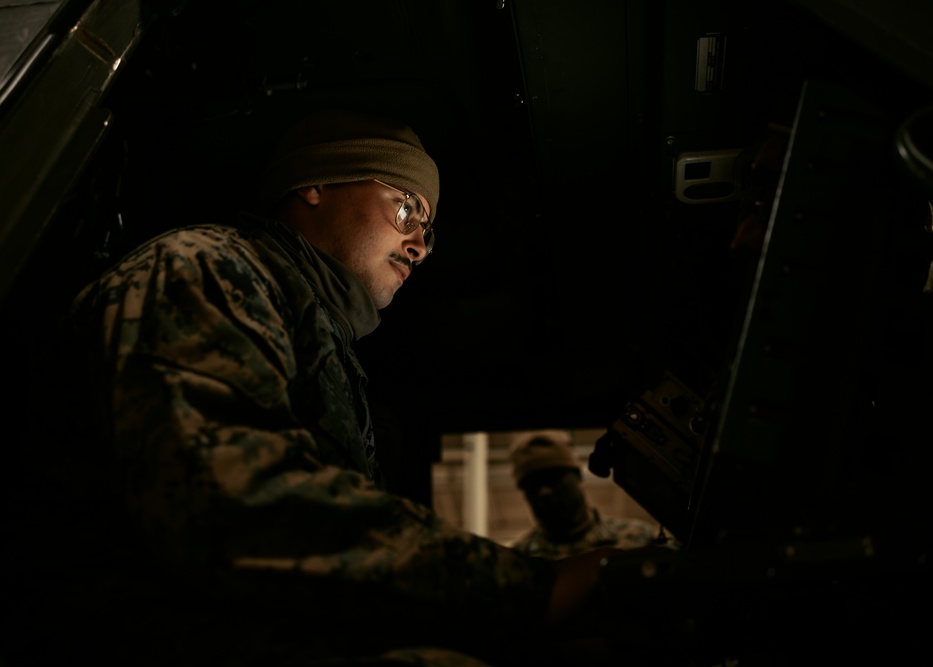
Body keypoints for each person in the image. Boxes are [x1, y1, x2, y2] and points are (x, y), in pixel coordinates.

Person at [5, 108, 615, 667]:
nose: (420, 246)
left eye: (428, 230)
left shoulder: (316, 339)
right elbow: (233, 504)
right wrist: (531, 592)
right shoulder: (204, 266)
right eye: (407, 209)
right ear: (315, 184)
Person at [509, 430, 676, 559]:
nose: (544, 492)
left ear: (577, 475)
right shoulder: (517, 559)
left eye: (552, 478)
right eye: (531, 485)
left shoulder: (640, 539)